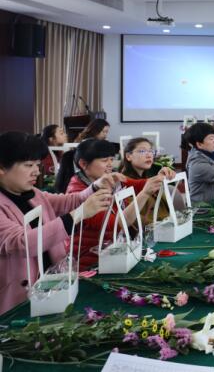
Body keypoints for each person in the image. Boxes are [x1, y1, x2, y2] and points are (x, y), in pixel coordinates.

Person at [0, 131, 117, 315]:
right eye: (28, 165)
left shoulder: (31, 193)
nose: (37, 171)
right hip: (18, 301)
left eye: (37, 165)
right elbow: (21, 243)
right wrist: (78, 215)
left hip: (52, 289)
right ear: (2, 167)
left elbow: (67, 201)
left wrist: (95, 186)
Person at [64, 139, 161, 268]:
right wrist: (144, 194)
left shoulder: (106, 179)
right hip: (90, 262)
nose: (110, 165)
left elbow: (138, 184)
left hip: (112, 254)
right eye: (105, 160)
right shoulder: (78, 193)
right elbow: (116, 225)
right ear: (83, 164)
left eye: (111, 159)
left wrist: (160, 177)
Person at [119, 137, 180, 227]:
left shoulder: (146, 177)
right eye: (142, 151)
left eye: (151, 151)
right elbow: (134, 221)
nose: (149, 155)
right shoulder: (123, 184)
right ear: (128, 156)